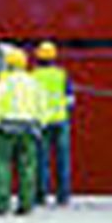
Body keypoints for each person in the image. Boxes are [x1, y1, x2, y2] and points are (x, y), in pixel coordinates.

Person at [0, 46, 45, 216]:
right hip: (28, 127)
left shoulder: (4, 81)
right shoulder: (33, 82)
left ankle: (1, 204)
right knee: (27, 166)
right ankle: (26, 204)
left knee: (1, 165)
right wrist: (40, 124)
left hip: (6, 128)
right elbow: (41, 104)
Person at [32, 40, 74, 207]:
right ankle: (63, 196)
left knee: (42, 160)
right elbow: (70, 99)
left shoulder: (33, 76)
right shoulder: (61, 74)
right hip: (60, 120)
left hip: (42, 121)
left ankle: (41, 195)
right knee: (62, 160)